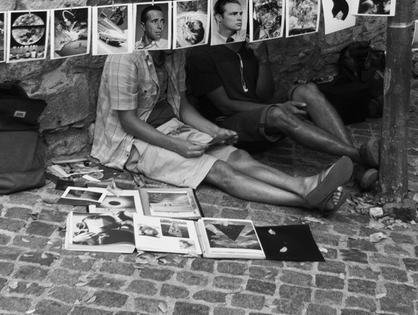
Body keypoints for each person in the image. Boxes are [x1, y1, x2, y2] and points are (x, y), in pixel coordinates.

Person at [91, 39, 353, 214]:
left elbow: (182, 106)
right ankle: (306, 200)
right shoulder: (125, 58)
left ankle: (305, 185)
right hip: (131, 143)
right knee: (219, 171)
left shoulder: (174, 52)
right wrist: (178, 145)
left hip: (171, 127)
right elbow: (129, 121)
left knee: (238, 156)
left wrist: (213, 132)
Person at [187, 0, 381, 190]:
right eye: (234, 13)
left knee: (308, 91)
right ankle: (358, 155)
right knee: (278, 113)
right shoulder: (202, 53)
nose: (241, 18)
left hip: (258, 110)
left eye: (242, 13)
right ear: (218, 18)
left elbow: (264, 94)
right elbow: (224, 105)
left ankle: (355, 165)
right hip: (228, 122)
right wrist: (277, 106)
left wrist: (262, 60)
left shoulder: (250, 43)